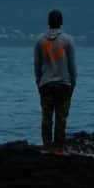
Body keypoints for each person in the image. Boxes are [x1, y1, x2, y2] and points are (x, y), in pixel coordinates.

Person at [33, 9, 77, 152]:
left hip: (45, 83)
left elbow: (37, 66)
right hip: (64, 84)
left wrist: (38, 82)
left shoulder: (40, 40)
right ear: (61, 22)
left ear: (48, 22)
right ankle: (58, 148)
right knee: (61, 117)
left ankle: (47, 145)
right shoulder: (68, 40)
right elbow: (72, 67)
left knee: (46, 116)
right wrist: (73, 84)